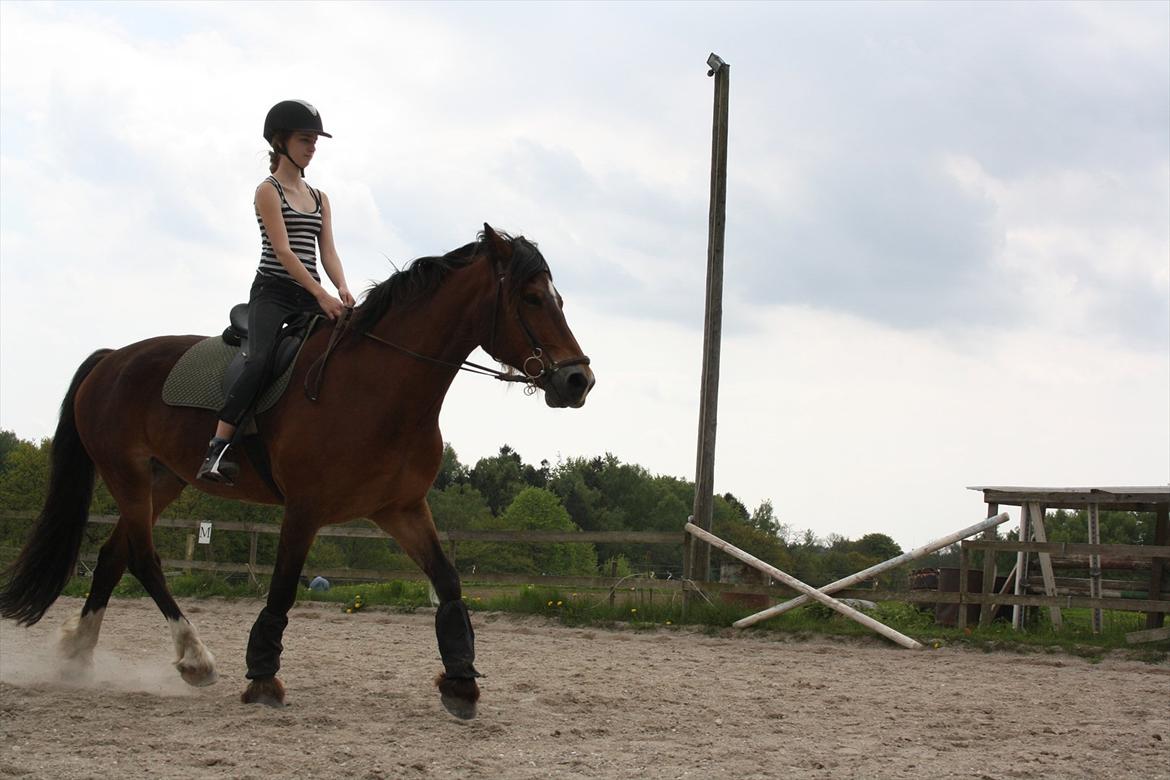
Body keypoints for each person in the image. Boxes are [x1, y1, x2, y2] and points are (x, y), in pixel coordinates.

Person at [197, 99, 355, 483]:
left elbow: (328, 252)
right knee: (260, 360)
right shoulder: (268, 191)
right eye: (305, 139)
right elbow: (283, 251)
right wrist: (321, 294)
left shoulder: (320, 198)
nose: (312, 147)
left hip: (310, 294)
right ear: (280, 142)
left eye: (315, 141)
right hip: (273, 292)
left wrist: (341, 287)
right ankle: (217, 449)